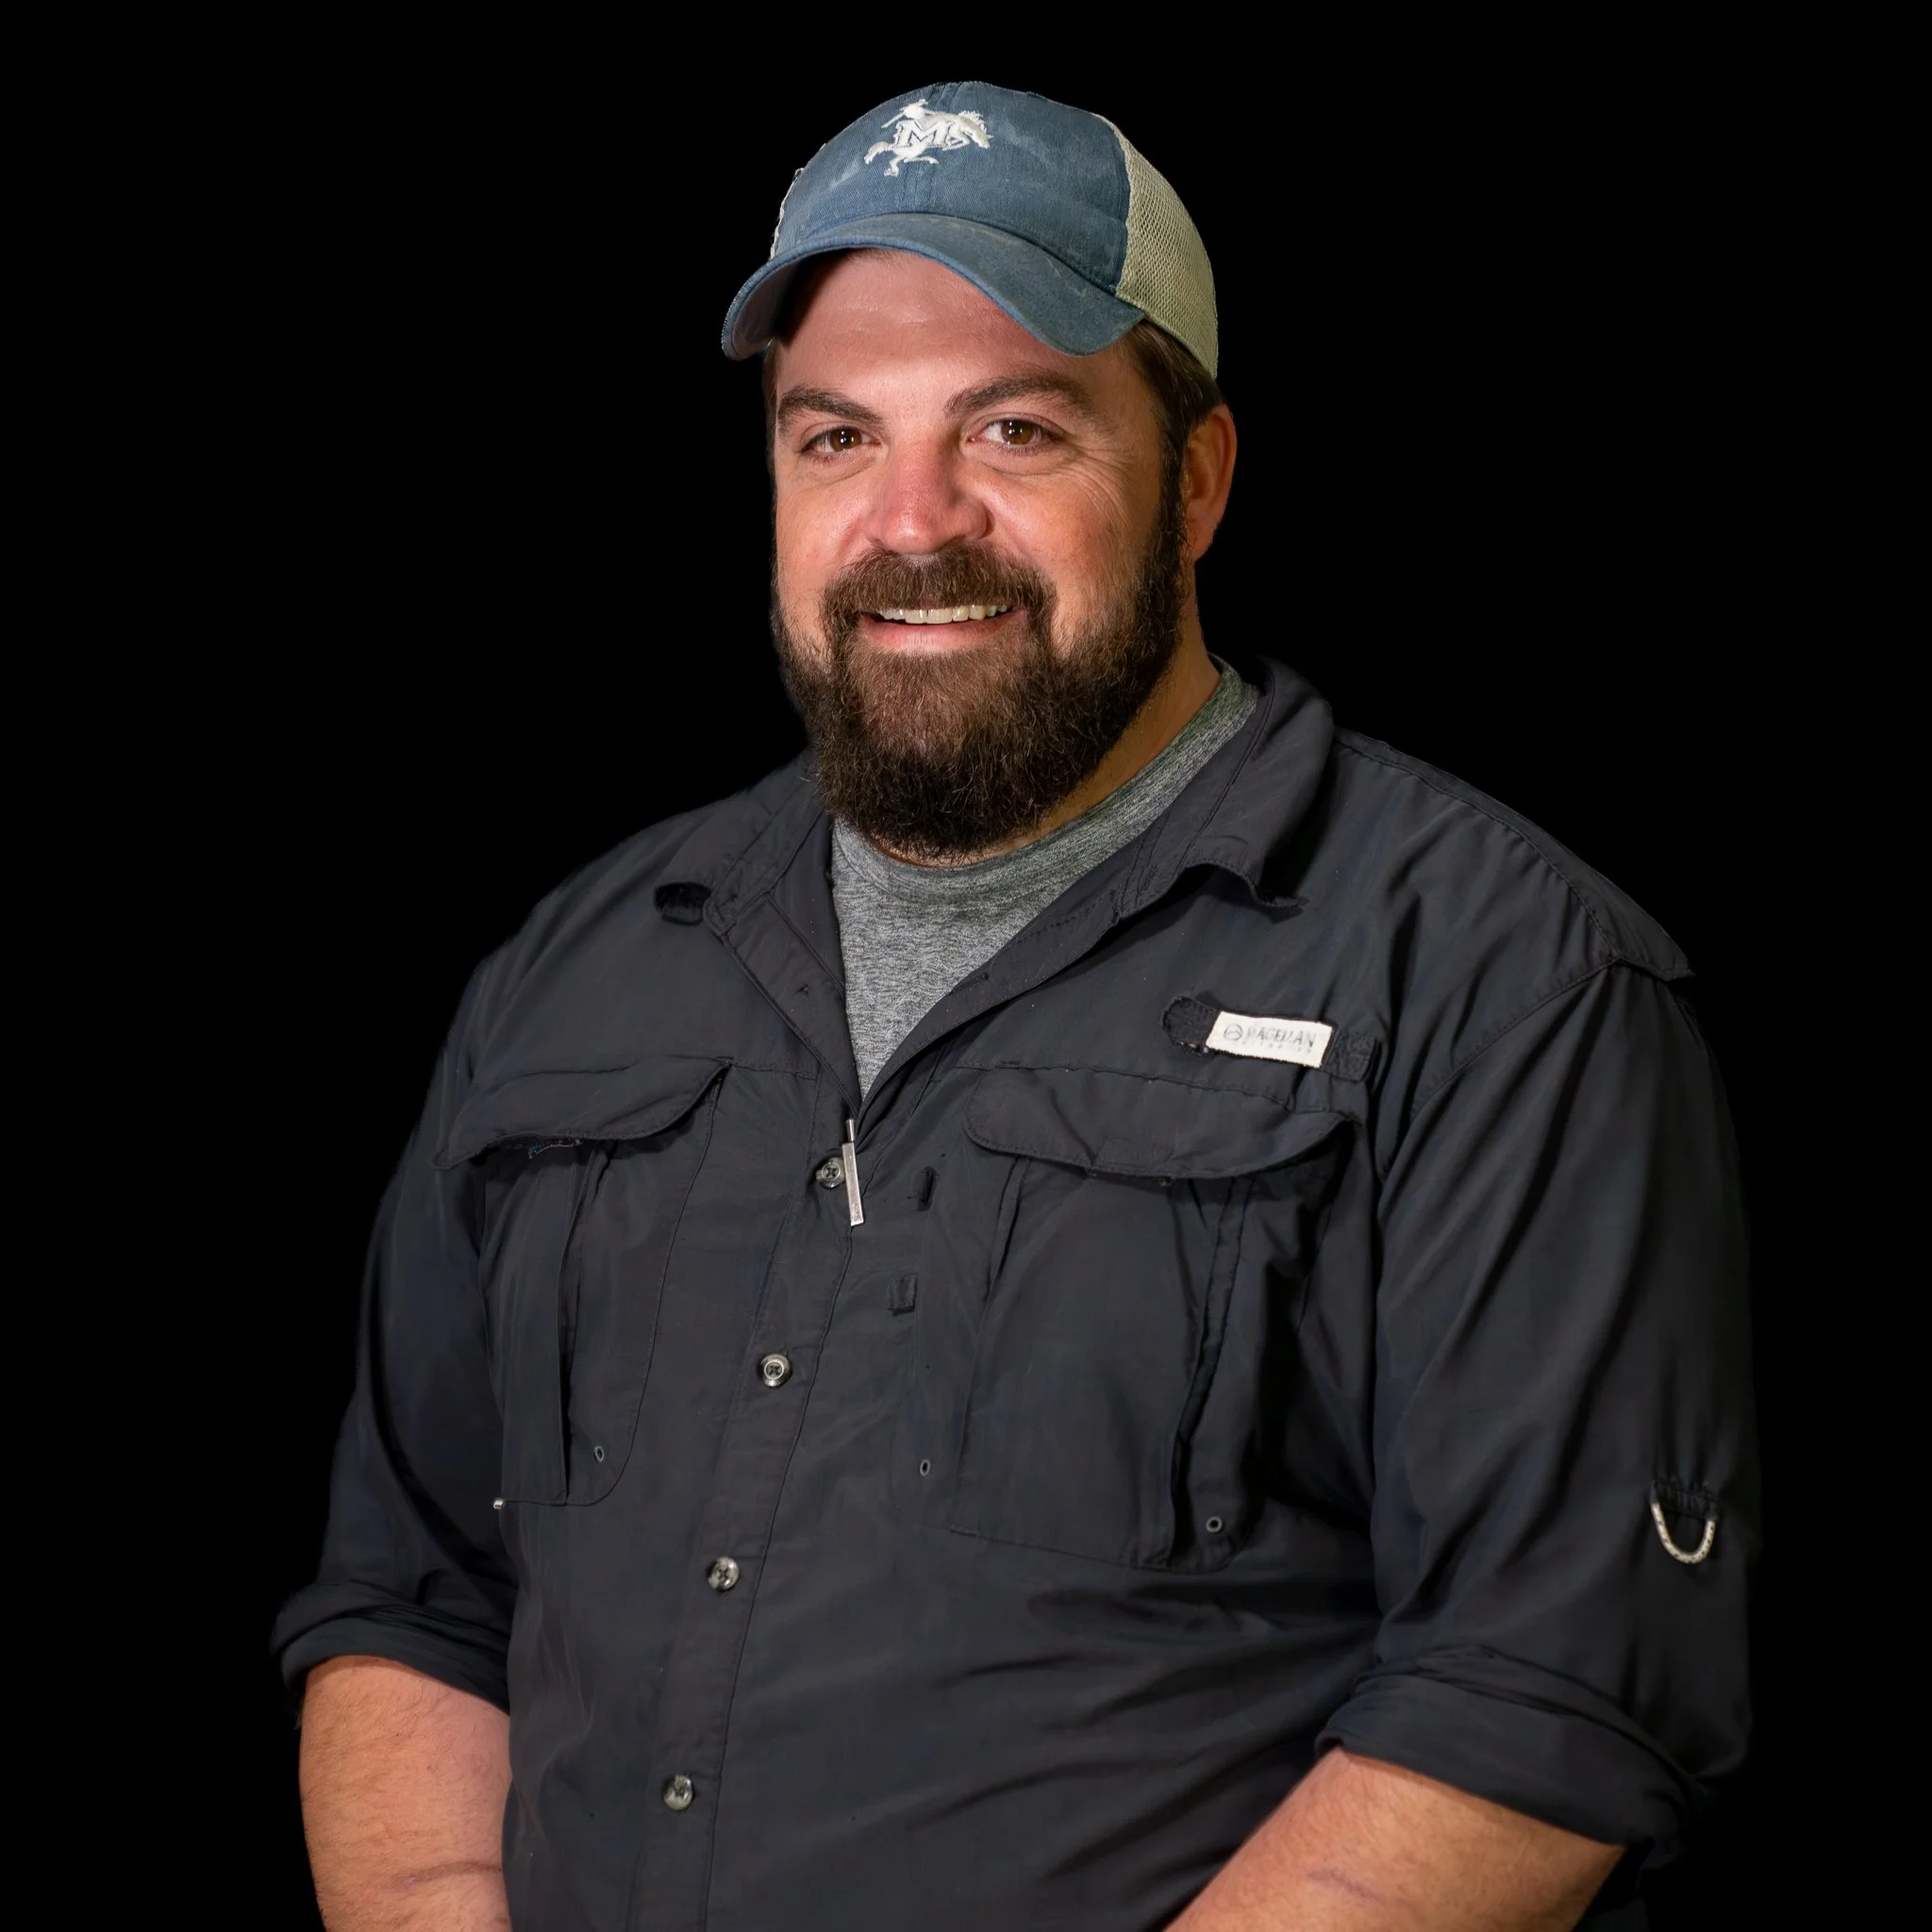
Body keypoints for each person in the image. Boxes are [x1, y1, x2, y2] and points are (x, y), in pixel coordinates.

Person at [275, 81, 1754, 1932]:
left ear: (1197, 478)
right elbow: (408, 1597)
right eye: (834, 438)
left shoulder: (1495, 979)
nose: (914, 523)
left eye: (1016, 429)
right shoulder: (579, 971)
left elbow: (1540, 1707)